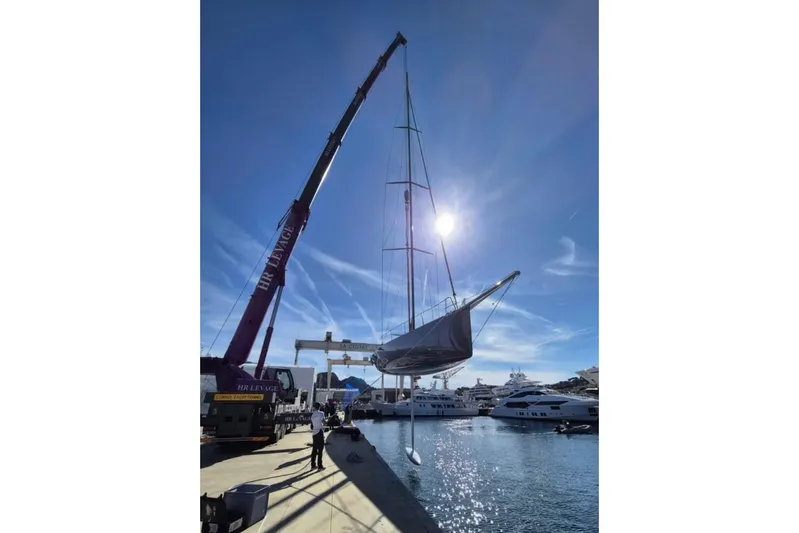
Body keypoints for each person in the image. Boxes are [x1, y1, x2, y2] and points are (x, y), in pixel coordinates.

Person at [310, 402, 326, 470]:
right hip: (319, 432)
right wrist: (326, 421)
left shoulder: (313, 415)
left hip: (314, 433)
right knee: (320, 450)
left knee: (314, 450)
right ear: (319, 407)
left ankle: (313, 465)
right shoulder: (321, 413)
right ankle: (320, 466)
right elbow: (324, 422)